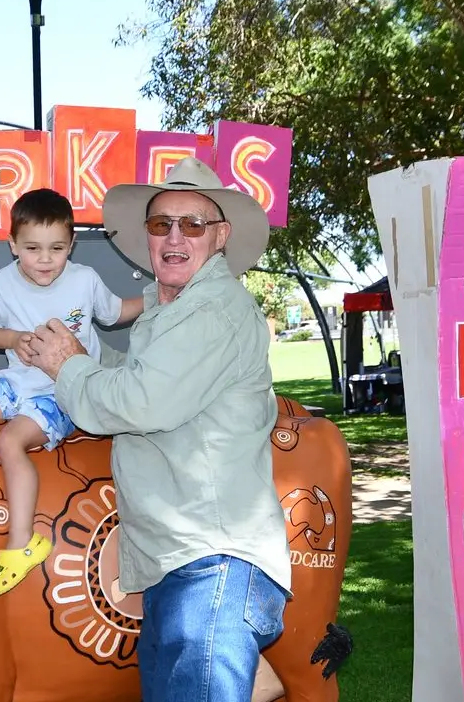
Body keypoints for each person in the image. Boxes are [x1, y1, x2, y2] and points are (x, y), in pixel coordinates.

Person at [24, 157, 291, 701]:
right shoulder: (173, 313)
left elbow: (140, 401)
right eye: (160, 223)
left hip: (210, 563)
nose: (174, 236)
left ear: (221, 236)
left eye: (192, 224)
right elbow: (141, 383)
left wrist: (67, 364)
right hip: (186, 565)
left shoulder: (211, 311)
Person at [0, 188, 142, 599]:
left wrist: (158, 299)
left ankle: (21, 542)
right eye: (32, 248)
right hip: (16, 383)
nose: (45, 259)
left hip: (63, 392)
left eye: (56, 248)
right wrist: (13, 338)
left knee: (11, 441)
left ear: (71, 244)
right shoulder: (1, 283)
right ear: (13, 246)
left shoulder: (84, 280)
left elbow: (116, 313)